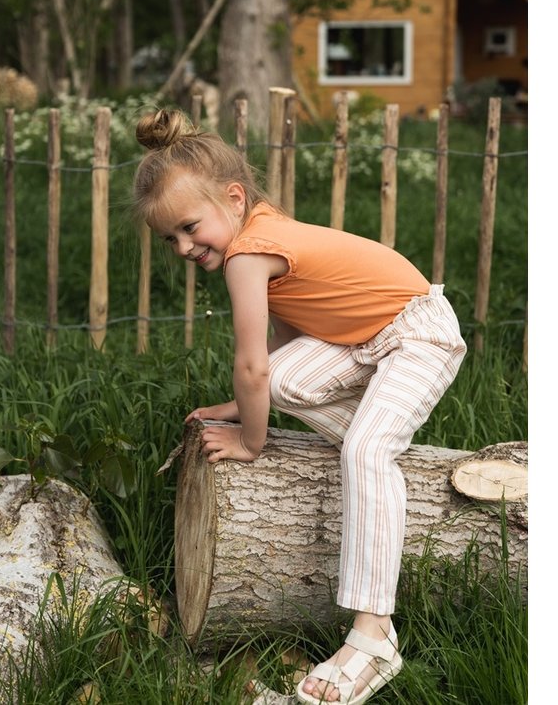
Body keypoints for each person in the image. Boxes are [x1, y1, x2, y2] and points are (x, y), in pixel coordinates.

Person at [133, 108, 466, 705]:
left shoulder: (246, 254)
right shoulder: (260, 226)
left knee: (363, 446)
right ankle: (378, 447)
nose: (183, 247)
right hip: (365, 344)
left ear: (234, 198)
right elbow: (283, 353)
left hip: (418, 334)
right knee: (286, 386)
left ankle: (374, 634)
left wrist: (251, 441)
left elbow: (252, 362)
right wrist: (243, 404)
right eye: (170, 238)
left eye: (188, 227)